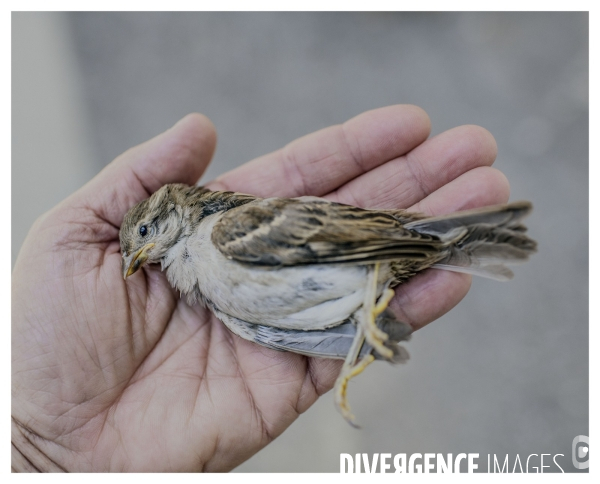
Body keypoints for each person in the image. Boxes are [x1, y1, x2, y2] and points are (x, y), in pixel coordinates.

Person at [12, 105, 508, 472]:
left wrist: (34, 455)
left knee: (451, 242)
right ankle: (403, 280)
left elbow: (325, 237)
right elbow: (282, 326)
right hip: (358, 281)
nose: (138, 258)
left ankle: (439, 251)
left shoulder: (222, 231)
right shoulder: (212, 298)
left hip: (371, 251)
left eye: (142, 237)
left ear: (167, 212)